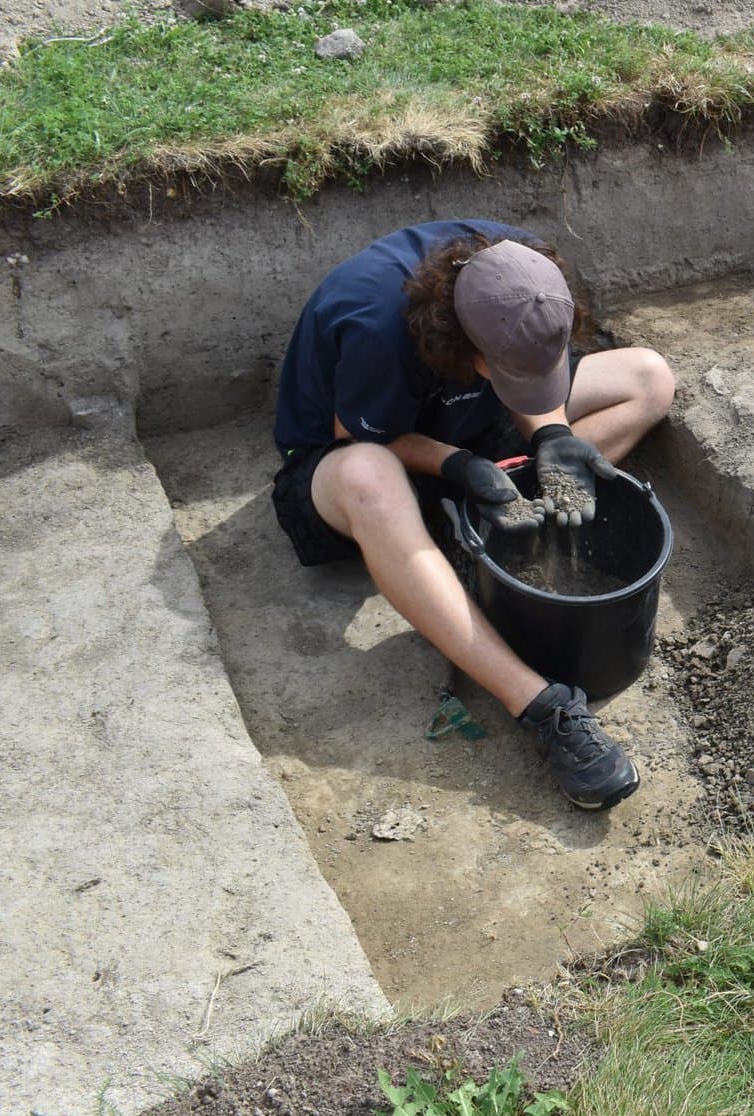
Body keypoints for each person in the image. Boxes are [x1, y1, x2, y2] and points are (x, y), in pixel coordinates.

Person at [271, 220, 676, 809]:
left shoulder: (523, 277)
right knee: (369, 479)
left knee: (650, 378)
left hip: (468, 418)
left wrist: (554, 433)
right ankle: (542, 707)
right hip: (359, 456)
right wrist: (456, 464)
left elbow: (534, 374)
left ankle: (484, 529)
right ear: (466, 347)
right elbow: (355, 439)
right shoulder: (376, 324)